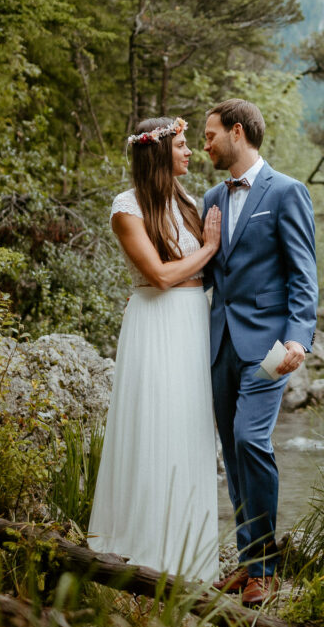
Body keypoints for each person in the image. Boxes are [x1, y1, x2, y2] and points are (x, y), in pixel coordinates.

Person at [87, 116, 225, 582]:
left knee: (188, 429)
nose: (190, 152)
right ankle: (141, 553)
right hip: (155, 321)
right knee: (153, 425)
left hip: (192, 321)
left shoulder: (186, 200)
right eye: (183, 145)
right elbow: (162, 276)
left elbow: (198, 273)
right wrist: (207, 250)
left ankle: (189, 560)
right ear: (159, 152)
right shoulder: (127, 208)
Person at [201, 98, 317, 606]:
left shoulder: (287, 192)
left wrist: (298, 336)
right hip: (220, 343)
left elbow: (303, 273)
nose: (206, 144)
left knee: (251, 441)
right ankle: (247, 563)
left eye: (211, 135)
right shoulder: (211, 197)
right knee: (231, 448)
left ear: (238, 132)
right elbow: (206, 270)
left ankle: (266, 570)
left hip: (270, 346)